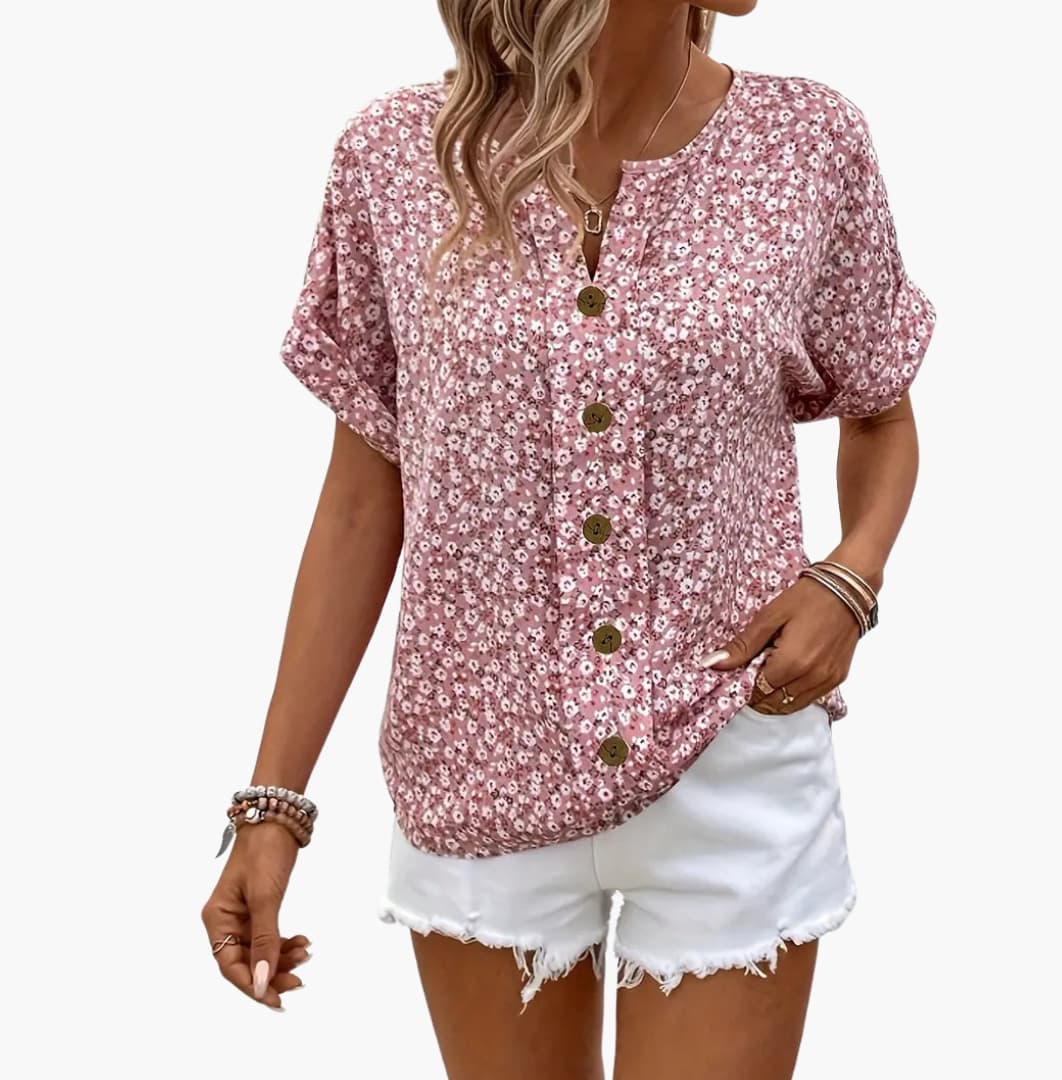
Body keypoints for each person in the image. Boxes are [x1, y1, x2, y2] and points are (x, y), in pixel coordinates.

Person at [201, 2, 937, 1077]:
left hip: (731, 747)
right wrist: (274, 806)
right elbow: (363, 501)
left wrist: (850, 579)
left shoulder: (808, 142)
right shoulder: (394, 159)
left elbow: (878, 411)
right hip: (475, 762)